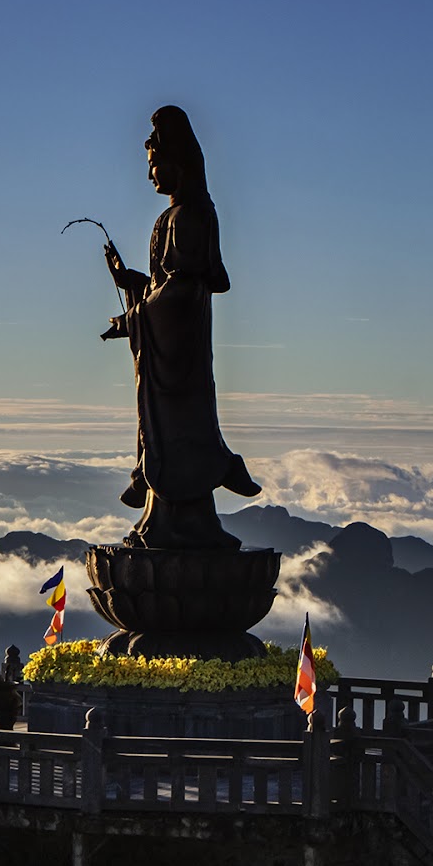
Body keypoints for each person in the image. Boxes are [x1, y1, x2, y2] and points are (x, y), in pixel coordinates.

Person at [102, 106, 260, 547]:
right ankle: (154, 482)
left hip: (180, 345)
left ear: (179, 164)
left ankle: (187, 499)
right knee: (157, 417)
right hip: (166, 345)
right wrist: (130, 283)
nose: (151, 176)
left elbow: (180, 289)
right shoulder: (170, 218)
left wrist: (133, 316)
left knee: (181, 420)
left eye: (155, 166)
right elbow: (160, 284)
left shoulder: (191, 216)